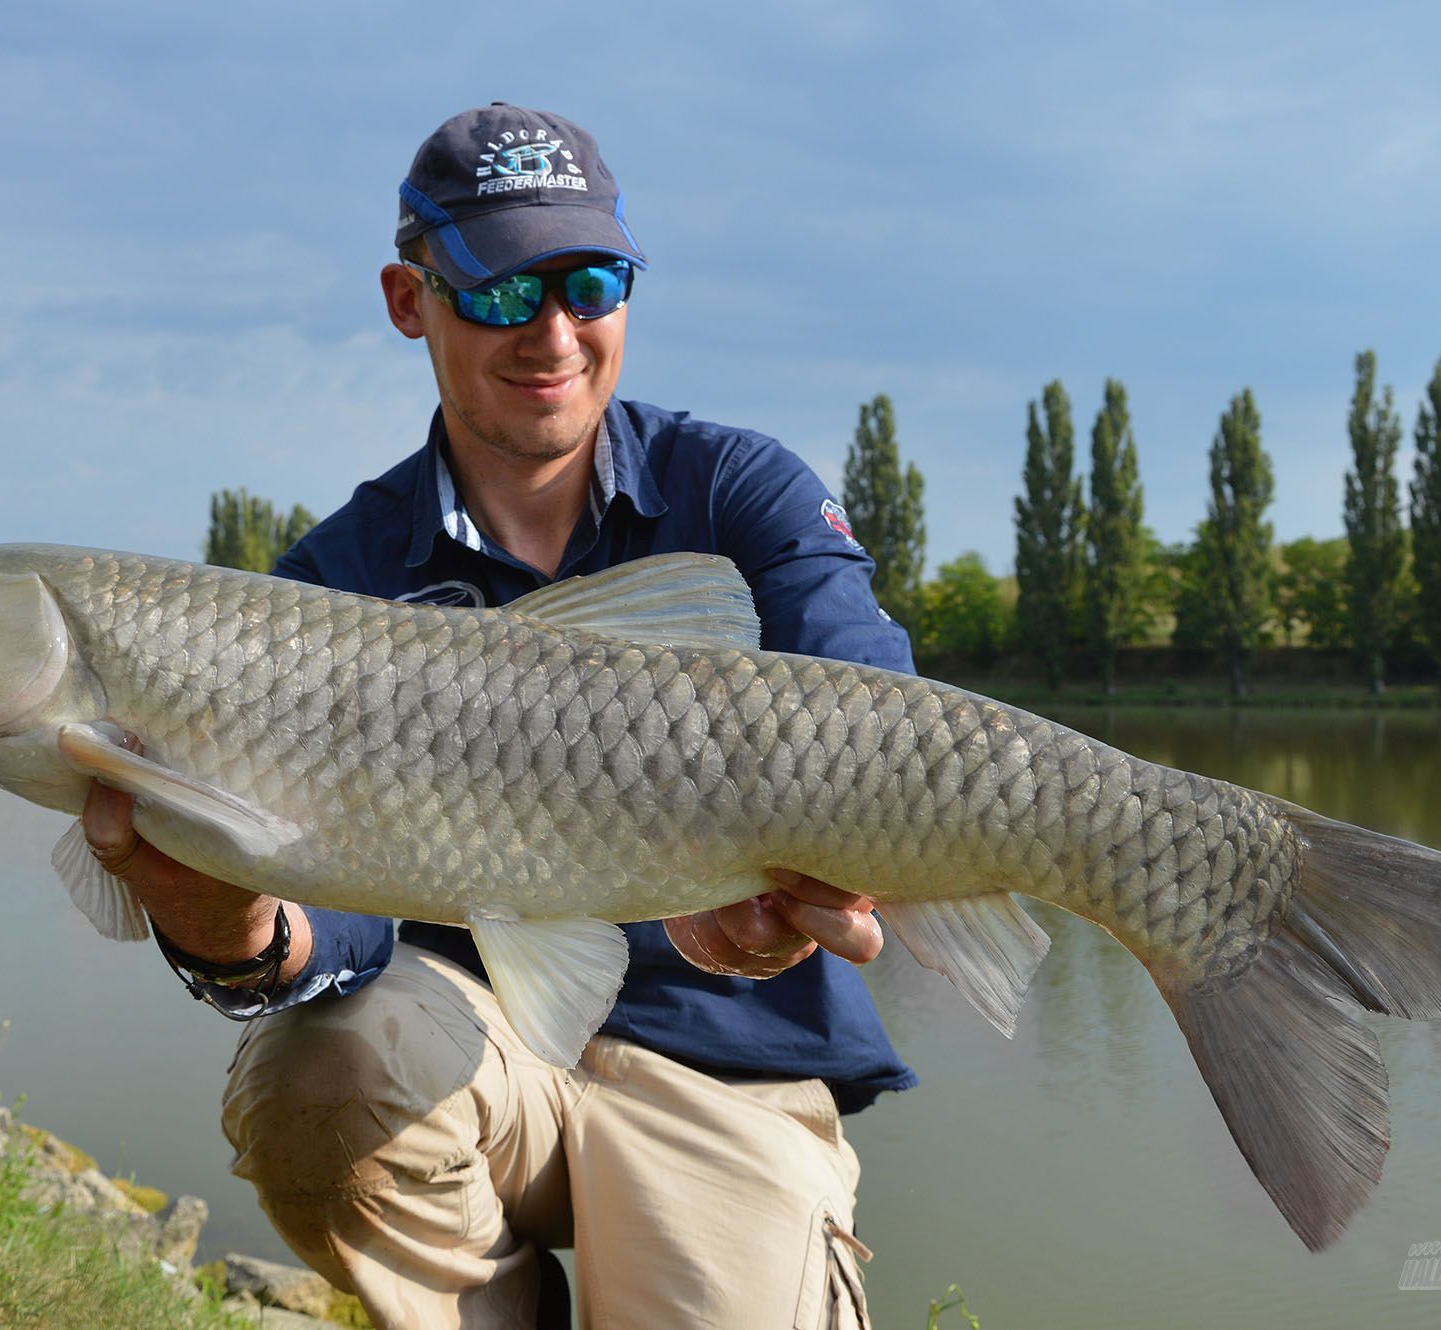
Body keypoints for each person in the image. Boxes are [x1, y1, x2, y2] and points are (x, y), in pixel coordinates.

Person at [82, 104, 917, 1329]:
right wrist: (239, 933)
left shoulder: (736, 489)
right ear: (409, 298)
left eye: (590, 283)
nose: (554, 332)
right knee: (318, 1071)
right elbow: (335, 917)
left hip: (728, 1062)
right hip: (473, 1045)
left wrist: (811, 892)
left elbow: (882, 731)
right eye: (498, 291)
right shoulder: (339, 577)